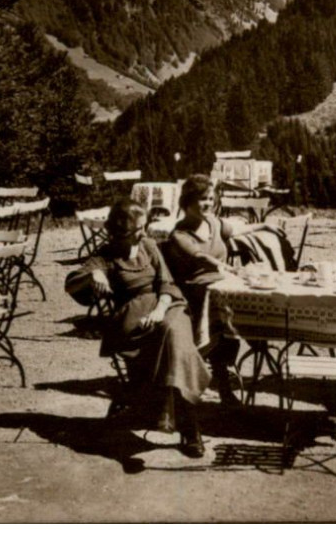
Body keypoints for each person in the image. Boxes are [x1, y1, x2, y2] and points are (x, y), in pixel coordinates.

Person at [66, 198, 210, 458]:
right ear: (120, 231)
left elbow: (166, 283)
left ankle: (188, 425)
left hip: (167, 307)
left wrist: (158, 311)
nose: (144, 232)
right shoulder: (105, 256)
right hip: (133, 322)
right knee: (174, 343)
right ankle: (190, 427)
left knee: (173, 334)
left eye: (144, 227)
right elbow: (72, 283)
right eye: (138, 229)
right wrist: (93, 275)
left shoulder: (149, 246)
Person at [165, 175, 273, 405]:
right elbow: (200, 257)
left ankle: (254, 344)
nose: (208, 204)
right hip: (196, 292)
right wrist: (226, 268)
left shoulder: (213, 222)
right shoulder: (179, 234)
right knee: (224, 317)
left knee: (247, 303)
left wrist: (265, 225)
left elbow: (236, 230)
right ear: (187, 202)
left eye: (211, 199)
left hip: (223, 286)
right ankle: (220, 381)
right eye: (203, 199)